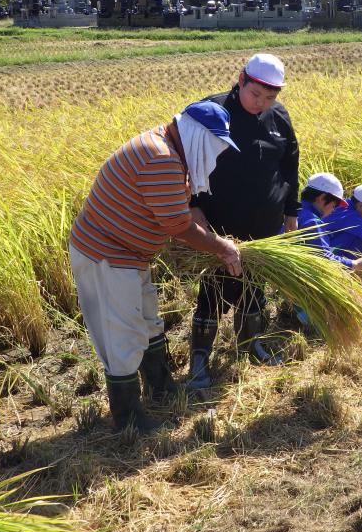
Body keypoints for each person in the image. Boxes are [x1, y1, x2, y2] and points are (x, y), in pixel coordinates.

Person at [69, 101, 243, 434]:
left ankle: (160, 388)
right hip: (106, 256)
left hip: (129, 255)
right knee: (123, 333)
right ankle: (129, 419)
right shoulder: (161, 158)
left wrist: (215, 241)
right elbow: (179, 225)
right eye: (214, 145)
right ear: (197, 135)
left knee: (148, 321)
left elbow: (180, 212)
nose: (216, 154)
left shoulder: (169, 148)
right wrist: (221, 247)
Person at [187, 53, 299, 390]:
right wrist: (194, 212)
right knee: (213, 291)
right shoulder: (212, 112)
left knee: (254, 288)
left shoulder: (278, 117)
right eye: (255, 95)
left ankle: (252, 346)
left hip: (264, 225)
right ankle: (199, 360)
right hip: (221, 226)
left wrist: (290, 219)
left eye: (270, 98)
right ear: (241, 80)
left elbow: (290, 168)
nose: (261, 103)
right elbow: (187, 166)